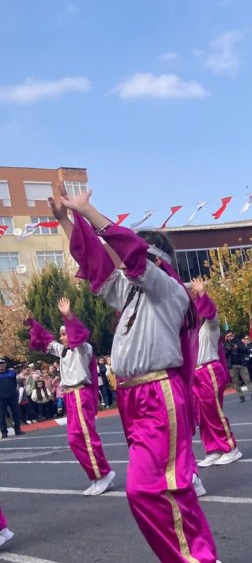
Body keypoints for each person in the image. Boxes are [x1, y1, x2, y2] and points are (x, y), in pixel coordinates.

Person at [54, 187, 219, 562]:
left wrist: (88, 210)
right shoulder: (130, 296)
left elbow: (130, 253)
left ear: (155, 260)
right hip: (134, 398)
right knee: (163, 490)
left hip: (158, 392)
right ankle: (197, 556)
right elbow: (95, 264)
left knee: (148, 489)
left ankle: (197, 558)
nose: (121, 263)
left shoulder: (167, 289)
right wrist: (67, 220)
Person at [25, 298, 116, 494]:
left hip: (80, 393)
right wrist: (33, 324)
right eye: (62, 334)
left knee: (86, 437)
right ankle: (97, 474)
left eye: (65, 333)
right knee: (75, 440)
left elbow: (79, 335)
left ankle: (102, 474)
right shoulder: (63, 351)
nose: (62, 337)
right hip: (70, 396)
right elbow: (47, 340)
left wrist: (68, 316)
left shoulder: (84, 349)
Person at [189, 277, 243, 468]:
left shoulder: (210, 326)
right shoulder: (190, 332)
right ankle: (213, 449)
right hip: (195, 375)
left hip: (209, 370)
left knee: (214, 411)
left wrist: (202, 293)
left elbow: (210, 311)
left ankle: (230, 448)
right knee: (202, 415)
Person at [224, 331, 252, 402]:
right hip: (232, 366)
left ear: (233, 334)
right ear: (226, 337)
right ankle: (241, 396)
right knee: (236, 382)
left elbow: (246, 350)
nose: (230, 337)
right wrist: (229, 349)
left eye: (231, 335)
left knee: (247, 380)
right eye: (228, 336)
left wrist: (238, 347)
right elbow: (225, 355)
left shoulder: (238, 341)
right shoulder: (225, 344)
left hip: (242, 364)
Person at [0, 359, 23, 437]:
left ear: (5, 364)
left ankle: (17, 429)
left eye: (2, 363)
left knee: (16, 413)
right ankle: (4, 432)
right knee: (1, 416)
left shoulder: (12, 372)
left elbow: (14, 383)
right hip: (1, 399)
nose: (1, 365)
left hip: (12, 397)